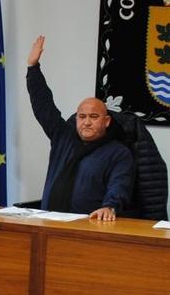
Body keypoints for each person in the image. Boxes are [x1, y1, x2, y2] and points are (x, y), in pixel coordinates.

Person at [27, 35, 133, 221]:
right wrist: (33, 68)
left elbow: (120, 185)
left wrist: (109, 207)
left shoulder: (118, 152)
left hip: (89, 227)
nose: (86, 122)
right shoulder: (63, 138)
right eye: (82, 117)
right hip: (48, 223)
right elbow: (43, 106)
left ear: (106, 121)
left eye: (94, 117)